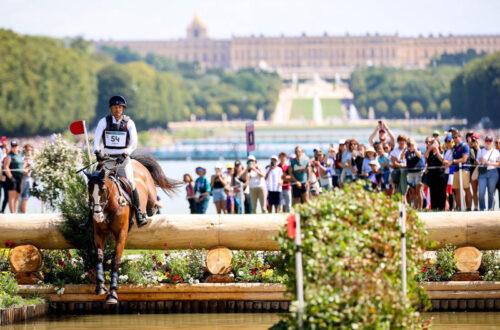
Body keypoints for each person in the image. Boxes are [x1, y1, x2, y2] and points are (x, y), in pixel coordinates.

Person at [92, 95, 147, 226]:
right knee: (96, 184)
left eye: (120, 107)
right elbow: (96, 139)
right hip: (108, 160)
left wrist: (126, 153)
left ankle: (139, 213)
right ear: (111, 108)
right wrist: (97, 151)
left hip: (123, 161)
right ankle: (90, 217)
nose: (117, 110)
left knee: (131, 183)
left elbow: (134, 143)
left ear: (123, 109)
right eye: (115, 107)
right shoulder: (103, 122)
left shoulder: (129, 123)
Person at [477, 136, 500, 211]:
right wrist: (480, 161)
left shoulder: (496, 152)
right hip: (483, 172)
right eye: (487, 140)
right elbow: (477, 162)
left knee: (491, 192)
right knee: (481, 192)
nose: (488, 142)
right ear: (485, 141)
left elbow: (498, 164)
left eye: (490, 140)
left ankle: (490, 208)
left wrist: (489, 163)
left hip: (493, 172)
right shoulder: (480, 151)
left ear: (492, 142)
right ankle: (482, 208)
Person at [451, 131, 472, 211]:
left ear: (460, 137)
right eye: (453, 138)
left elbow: (464, 159)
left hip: (464, 169)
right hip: (455, 169)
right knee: (456, 190)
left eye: (456, 137)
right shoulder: (454, 147)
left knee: (466, 188)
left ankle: (469, 208)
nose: (455, 139)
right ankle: (460, 208)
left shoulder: (464, 146)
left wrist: (453, 161)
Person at [401, 138, 424, 209]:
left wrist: (413, 148)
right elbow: (401, 158)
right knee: (412, 191)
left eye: (410, 143)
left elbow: (419, 155)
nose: (409, 145)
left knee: (418, 190)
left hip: (418, 171)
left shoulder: (417, 149)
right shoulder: (407, 152)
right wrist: (404, 149)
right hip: (410, 172)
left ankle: (420, 207)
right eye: (408, 143)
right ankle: (415, 207)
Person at [425, 139, 447, 210]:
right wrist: (429, 149)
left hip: (440, 174)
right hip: (432, 175)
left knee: (441, 192)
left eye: (435, 143)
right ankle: (434, 207)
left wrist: (437, 150)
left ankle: (441, 207)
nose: (433, 144)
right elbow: (425, 157)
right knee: (433, 191)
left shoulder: (441, 151)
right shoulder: (429, 153)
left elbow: (442, 159)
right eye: (432, 143)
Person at [3, 141, 23, 213]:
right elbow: (6, 167)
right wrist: (11, 177)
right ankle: (12, 212)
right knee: (12, 195)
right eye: (13, 146)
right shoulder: (10, 156)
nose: (14, 148)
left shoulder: (20, 155)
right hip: (12, 177)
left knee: (17, 196)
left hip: (20, 177)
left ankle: (15, 211)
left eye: (15, 146)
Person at [20, 144, 35, 213]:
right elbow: (23, 170)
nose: (29, 151)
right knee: (25, 197)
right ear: (25, 150)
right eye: (27, 150)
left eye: (30, 150)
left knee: (26, 197)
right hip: (25, 179)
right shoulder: (24, 158)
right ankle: (24, 213)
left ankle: (22, 213)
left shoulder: (32, 159)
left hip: (30, 180)